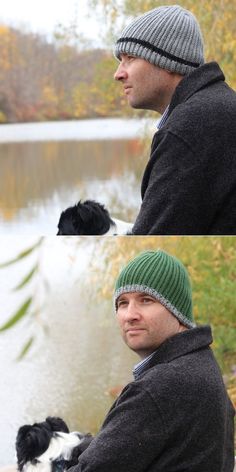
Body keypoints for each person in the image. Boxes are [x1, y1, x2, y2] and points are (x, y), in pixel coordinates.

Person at [69, 249, 235, 472]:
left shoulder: (161, 386)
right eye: (122, 303)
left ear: (176, 310)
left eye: (146, 300)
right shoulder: (201, 362)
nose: (130, 314)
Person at [113, 5, 236, 235]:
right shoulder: (219, 105)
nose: (118, 73)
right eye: (120, 60)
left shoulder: (191, 127)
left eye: (130, 58)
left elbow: (156, 235)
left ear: (168, 60)